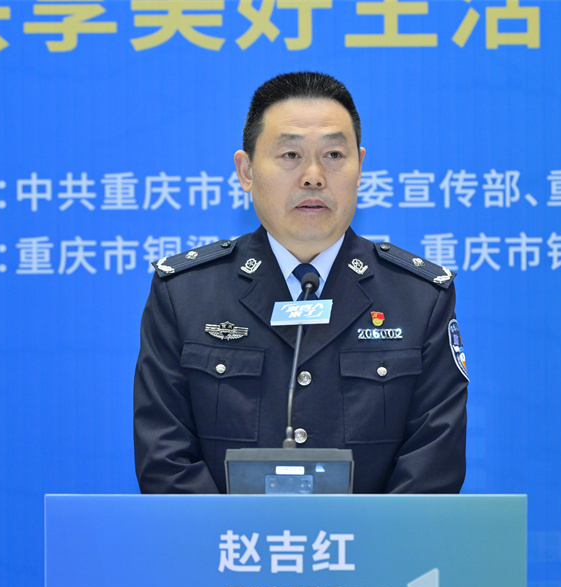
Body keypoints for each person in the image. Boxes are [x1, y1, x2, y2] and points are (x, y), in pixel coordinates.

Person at [134, 71, 467, 495]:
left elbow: (433, 467)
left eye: (334, 155)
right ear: (246, 171)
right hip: (225, 540)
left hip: (376, 541)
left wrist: (354, 539)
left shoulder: (419, 298)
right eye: (290, 154)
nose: (313, 176)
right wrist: (239, 537)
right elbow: (165, 460)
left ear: (360, 168)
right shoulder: (185, 295)